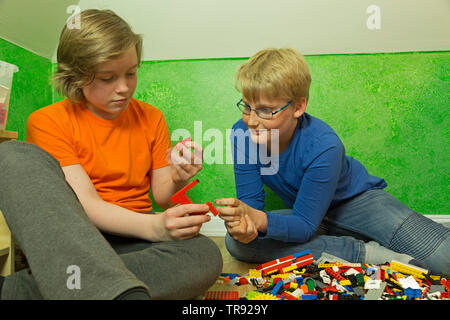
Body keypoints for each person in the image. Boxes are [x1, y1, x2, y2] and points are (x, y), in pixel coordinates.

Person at [0, 9, 222, 300]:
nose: (123, 88)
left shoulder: (151, 117)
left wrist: (179, 177)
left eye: (131, 73)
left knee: (204, 253)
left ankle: (27, 292)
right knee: (12, 154)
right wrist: (156, 227)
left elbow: (162, 195)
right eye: (107, 78)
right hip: (80, 238)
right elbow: (87, 204)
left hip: (136, 235)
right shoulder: (48, 121)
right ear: (75, 76)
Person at [215, 48, 449, 275]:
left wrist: (258, 220)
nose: (252, 120)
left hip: (359, 204)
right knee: (238, 244)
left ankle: (359, 239)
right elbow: (254, 206)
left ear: (298, 106)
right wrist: (244, 225)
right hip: (308, 213)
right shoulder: (241, 135)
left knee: (445, 259)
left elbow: (303, 226)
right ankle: (364, 252)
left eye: (266, 110)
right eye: (247, 106)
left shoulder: (324, 144)